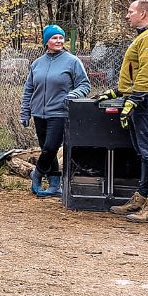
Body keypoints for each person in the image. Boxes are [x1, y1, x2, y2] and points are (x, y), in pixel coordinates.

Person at [105, 0, 148, 223]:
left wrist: (134, 98)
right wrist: (119, 92)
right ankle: (142, 198)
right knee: (144, 153)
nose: (127, 15)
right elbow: (138, 72)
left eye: (130, 11)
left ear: (143, 14)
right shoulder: (147, 35)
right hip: (144, 98)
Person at [20, 24, 91, 197]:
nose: (58, 41)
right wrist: (25, 112)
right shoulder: (37, 63)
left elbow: (84, 84)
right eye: (54, 38)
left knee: (51, 147)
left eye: (60, 37)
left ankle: (36, 174)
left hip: (60, 112)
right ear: (46, 41)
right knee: (46, 149)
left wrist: (73, 94)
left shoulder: (72, 61)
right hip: (38, 112)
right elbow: (29, 89)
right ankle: (54, 185)